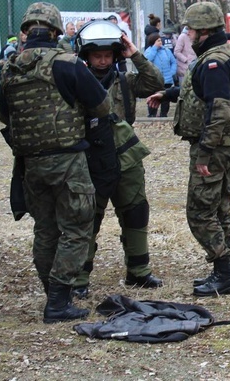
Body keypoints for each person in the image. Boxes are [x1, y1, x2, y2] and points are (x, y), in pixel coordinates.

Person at [0, 2, 112, 323]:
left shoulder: (10, 69)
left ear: (25, 31)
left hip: (30, 165)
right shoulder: (67, 64)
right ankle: (59, 301)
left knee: (45, 230)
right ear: (57, 30)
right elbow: (102, 106)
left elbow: (5, 116)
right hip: (68, 161)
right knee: (76, 229)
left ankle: (53, 295)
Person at [147, 1, 230, 296]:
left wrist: (204, 152)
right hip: (223, 146)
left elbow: (218, 109)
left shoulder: (214, 62)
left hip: (213, 149)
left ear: (202, 31)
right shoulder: (223, 57)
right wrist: (168, 93)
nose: (187, 34)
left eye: (190, 29)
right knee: (218, 207)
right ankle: (224, 270)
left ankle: (225, 273)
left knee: (200, 212)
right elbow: (202, 92)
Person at [71, 19, 165, 299]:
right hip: (91, 160)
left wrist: (134, 53)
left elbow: (155, 82)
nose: (102, 61)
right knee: (87, 217)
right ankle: (79, 277)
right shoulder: (76, 83)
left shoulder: (125, 80)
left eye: (107, 55)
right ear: (85, 56)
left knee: (136, 211)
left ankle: (139, 271)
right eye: (96, 55)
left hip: (126, 158)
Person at [145, 32, 177, 117]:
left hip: (167, 79)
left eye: (160, 40)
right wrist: (155, 48)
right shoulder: (148, 51)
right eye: (158, 40)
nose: (160, 42)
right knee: (153, 97)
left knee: (166, 98)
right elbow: (147, 60)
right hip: (154, 80)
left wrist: (172, 72)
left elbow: (173, 62)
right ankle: (152, 114)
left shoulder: (166, 51)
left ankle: (164, 114)